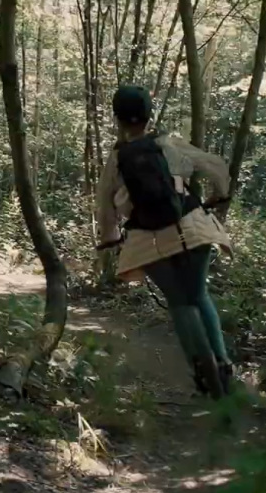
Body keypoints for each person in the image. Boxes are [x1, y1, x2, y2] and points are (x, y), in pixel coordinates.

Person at [95, 85, 235, 400]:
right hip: (193, 227)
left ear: (118, 119)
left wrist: (109, 237)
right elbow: (216, 166)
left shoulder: (117, 158)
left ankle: (202, 372)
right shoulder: (168, 144)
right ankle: (223, 363)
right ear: (149, 115)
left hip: (149, 240)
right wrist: (220, 193)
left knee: (179, 302)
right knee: (199, 294)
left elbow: (104, 202)